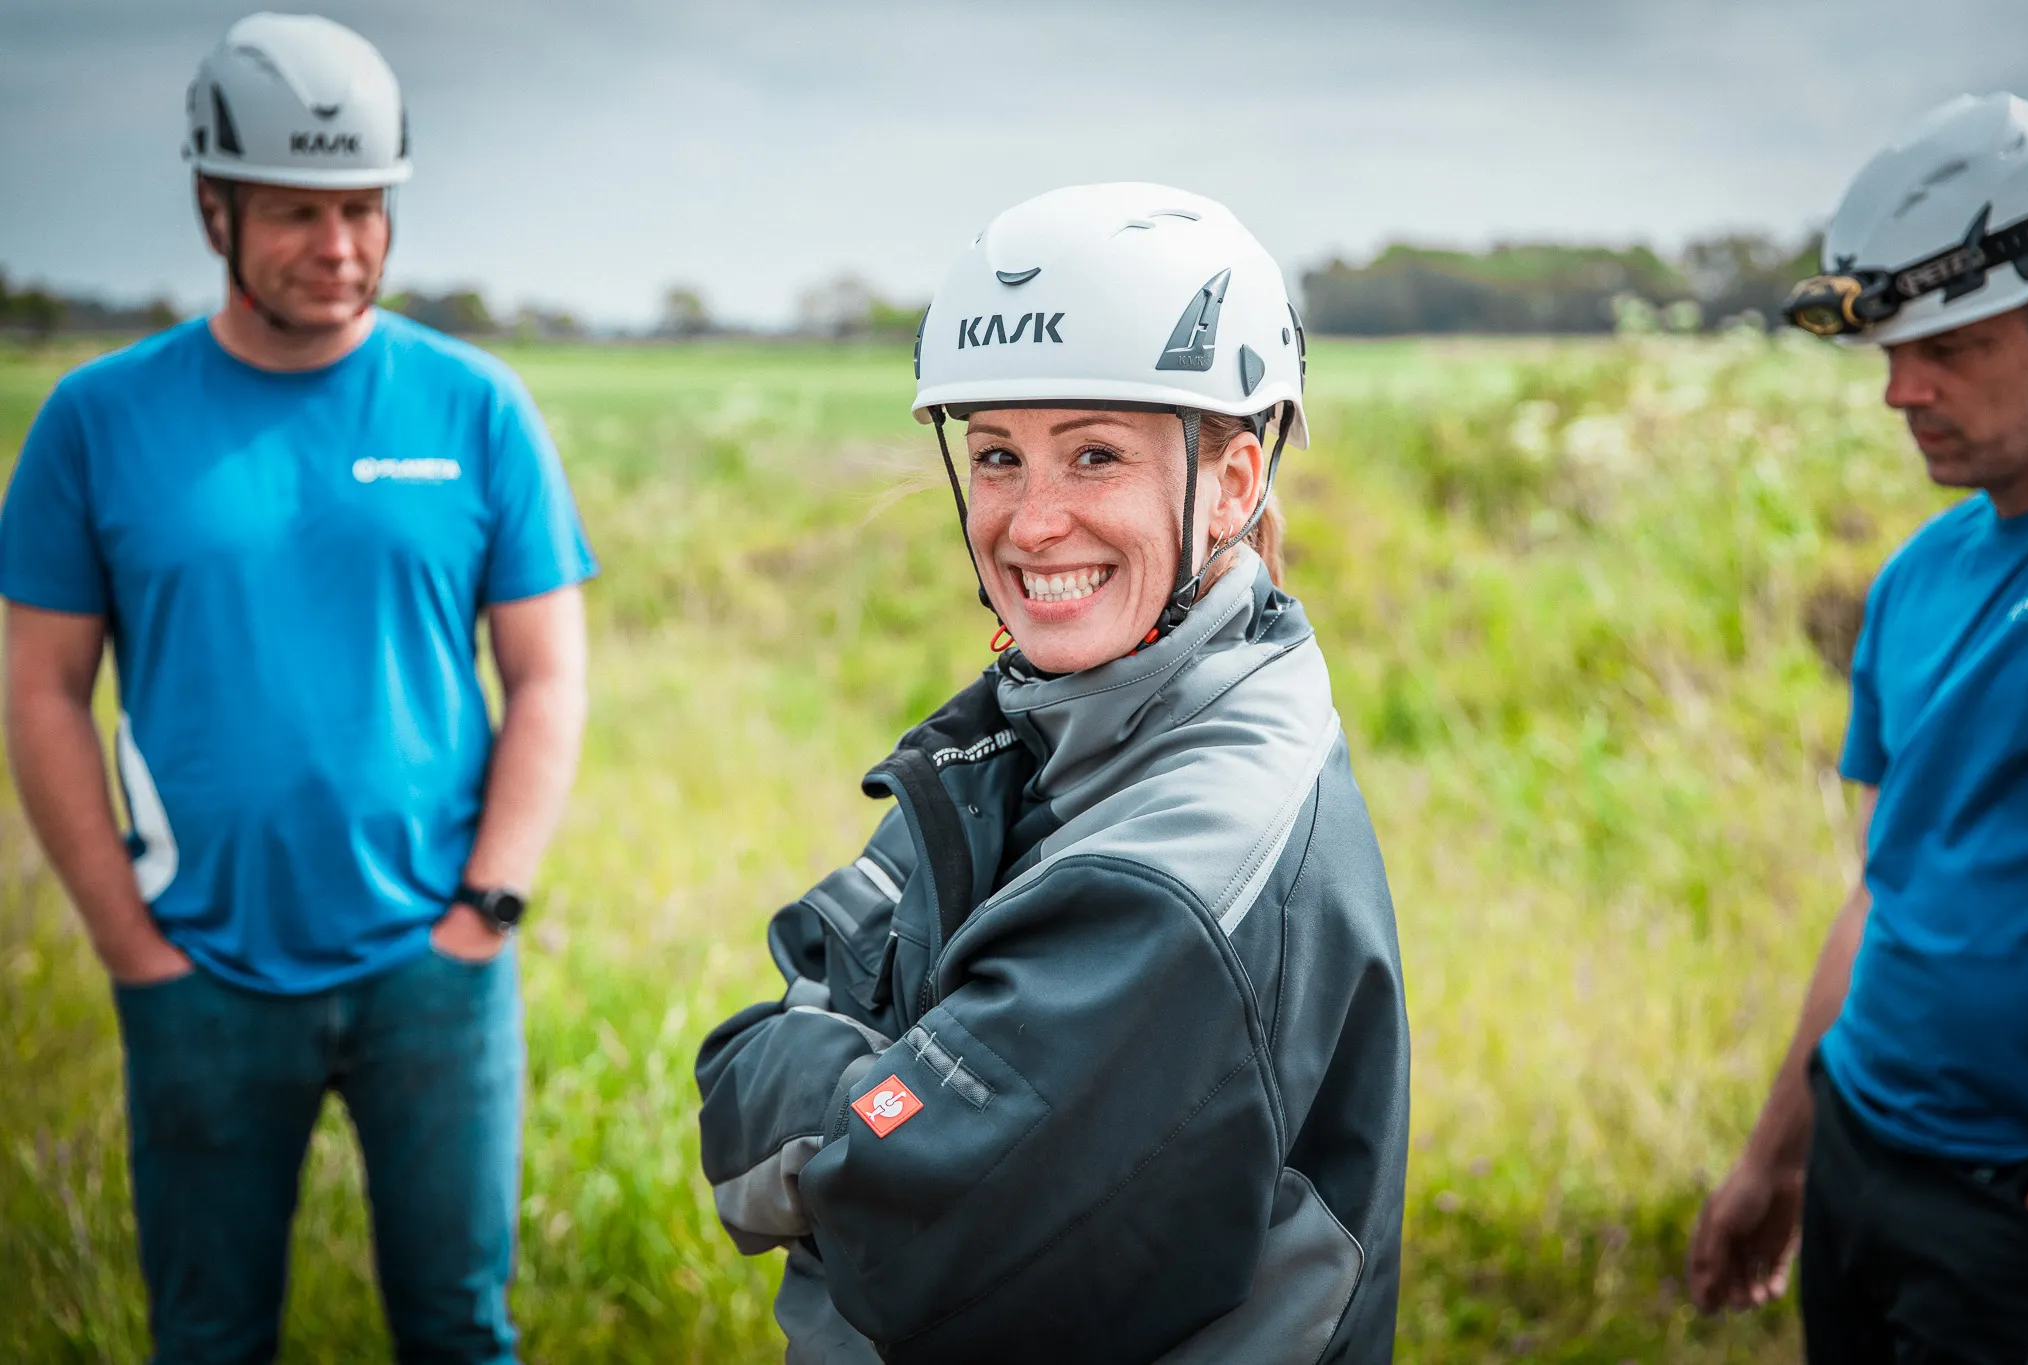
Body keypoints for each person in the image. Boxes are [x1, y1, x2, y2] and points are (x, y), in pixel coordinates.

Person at [695, 183, 1410, 1363]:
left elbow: (898, 1203)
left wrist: (846, 1082)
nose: (1030, 525)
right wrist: (869, 1071)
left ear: (1231, 484)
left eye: (1093, 455)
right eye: (995, 456)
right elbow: (795, 1003)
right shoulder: (1051, 716)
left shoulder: (1179, 868)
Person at [0, 14, 594, 1363]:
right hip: (195, 962)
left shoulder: (476, 406)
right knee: (208, 1337)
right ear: (212, 204)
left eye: (363, 209)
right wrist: (127, 945)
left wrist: (488, 906)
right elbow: (41, 690)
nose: (339, 248)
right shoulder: (99, 418)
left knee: (460, 1328)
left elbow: (549, 672)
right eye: (296, 214)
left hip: (435, 965)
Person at [1689, 93, 2028, 1362]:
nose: (1900, 389)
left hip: (2011, 1212)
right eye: (1891, 349)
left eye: (1949, 346)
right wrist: (1773, 1158)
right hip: (1861, 1144)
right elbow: (1882, 887)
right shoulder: (1916, 576)